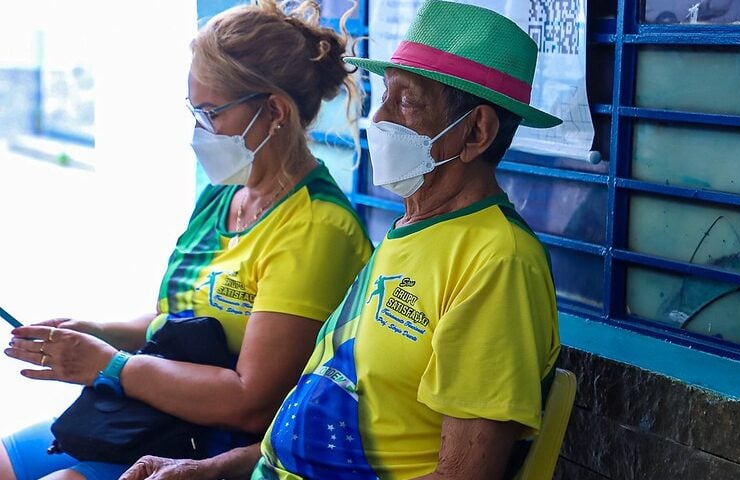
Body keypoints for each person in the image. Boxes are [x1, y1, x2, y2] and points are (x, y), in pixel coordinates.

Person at [120, 1, 562, 478]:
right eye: (384, 96)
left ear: (476, 131)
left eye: (408, 102)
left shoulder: (497, 261)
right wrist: (210, 469)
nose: (381, 118)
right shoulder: (410, 232)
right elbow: (308, 429)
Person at [1, 1, 373, 479]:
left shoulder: (317, 229)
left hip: (220, 447)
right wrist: (96, 331)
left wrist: (109, 366)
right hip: (157, 416)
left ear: (275, 112)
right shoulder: (224, 197)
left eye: (211, 114)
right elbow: (173, 316)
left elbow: (251, 404)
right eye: (193, 111)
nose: (199, 131)